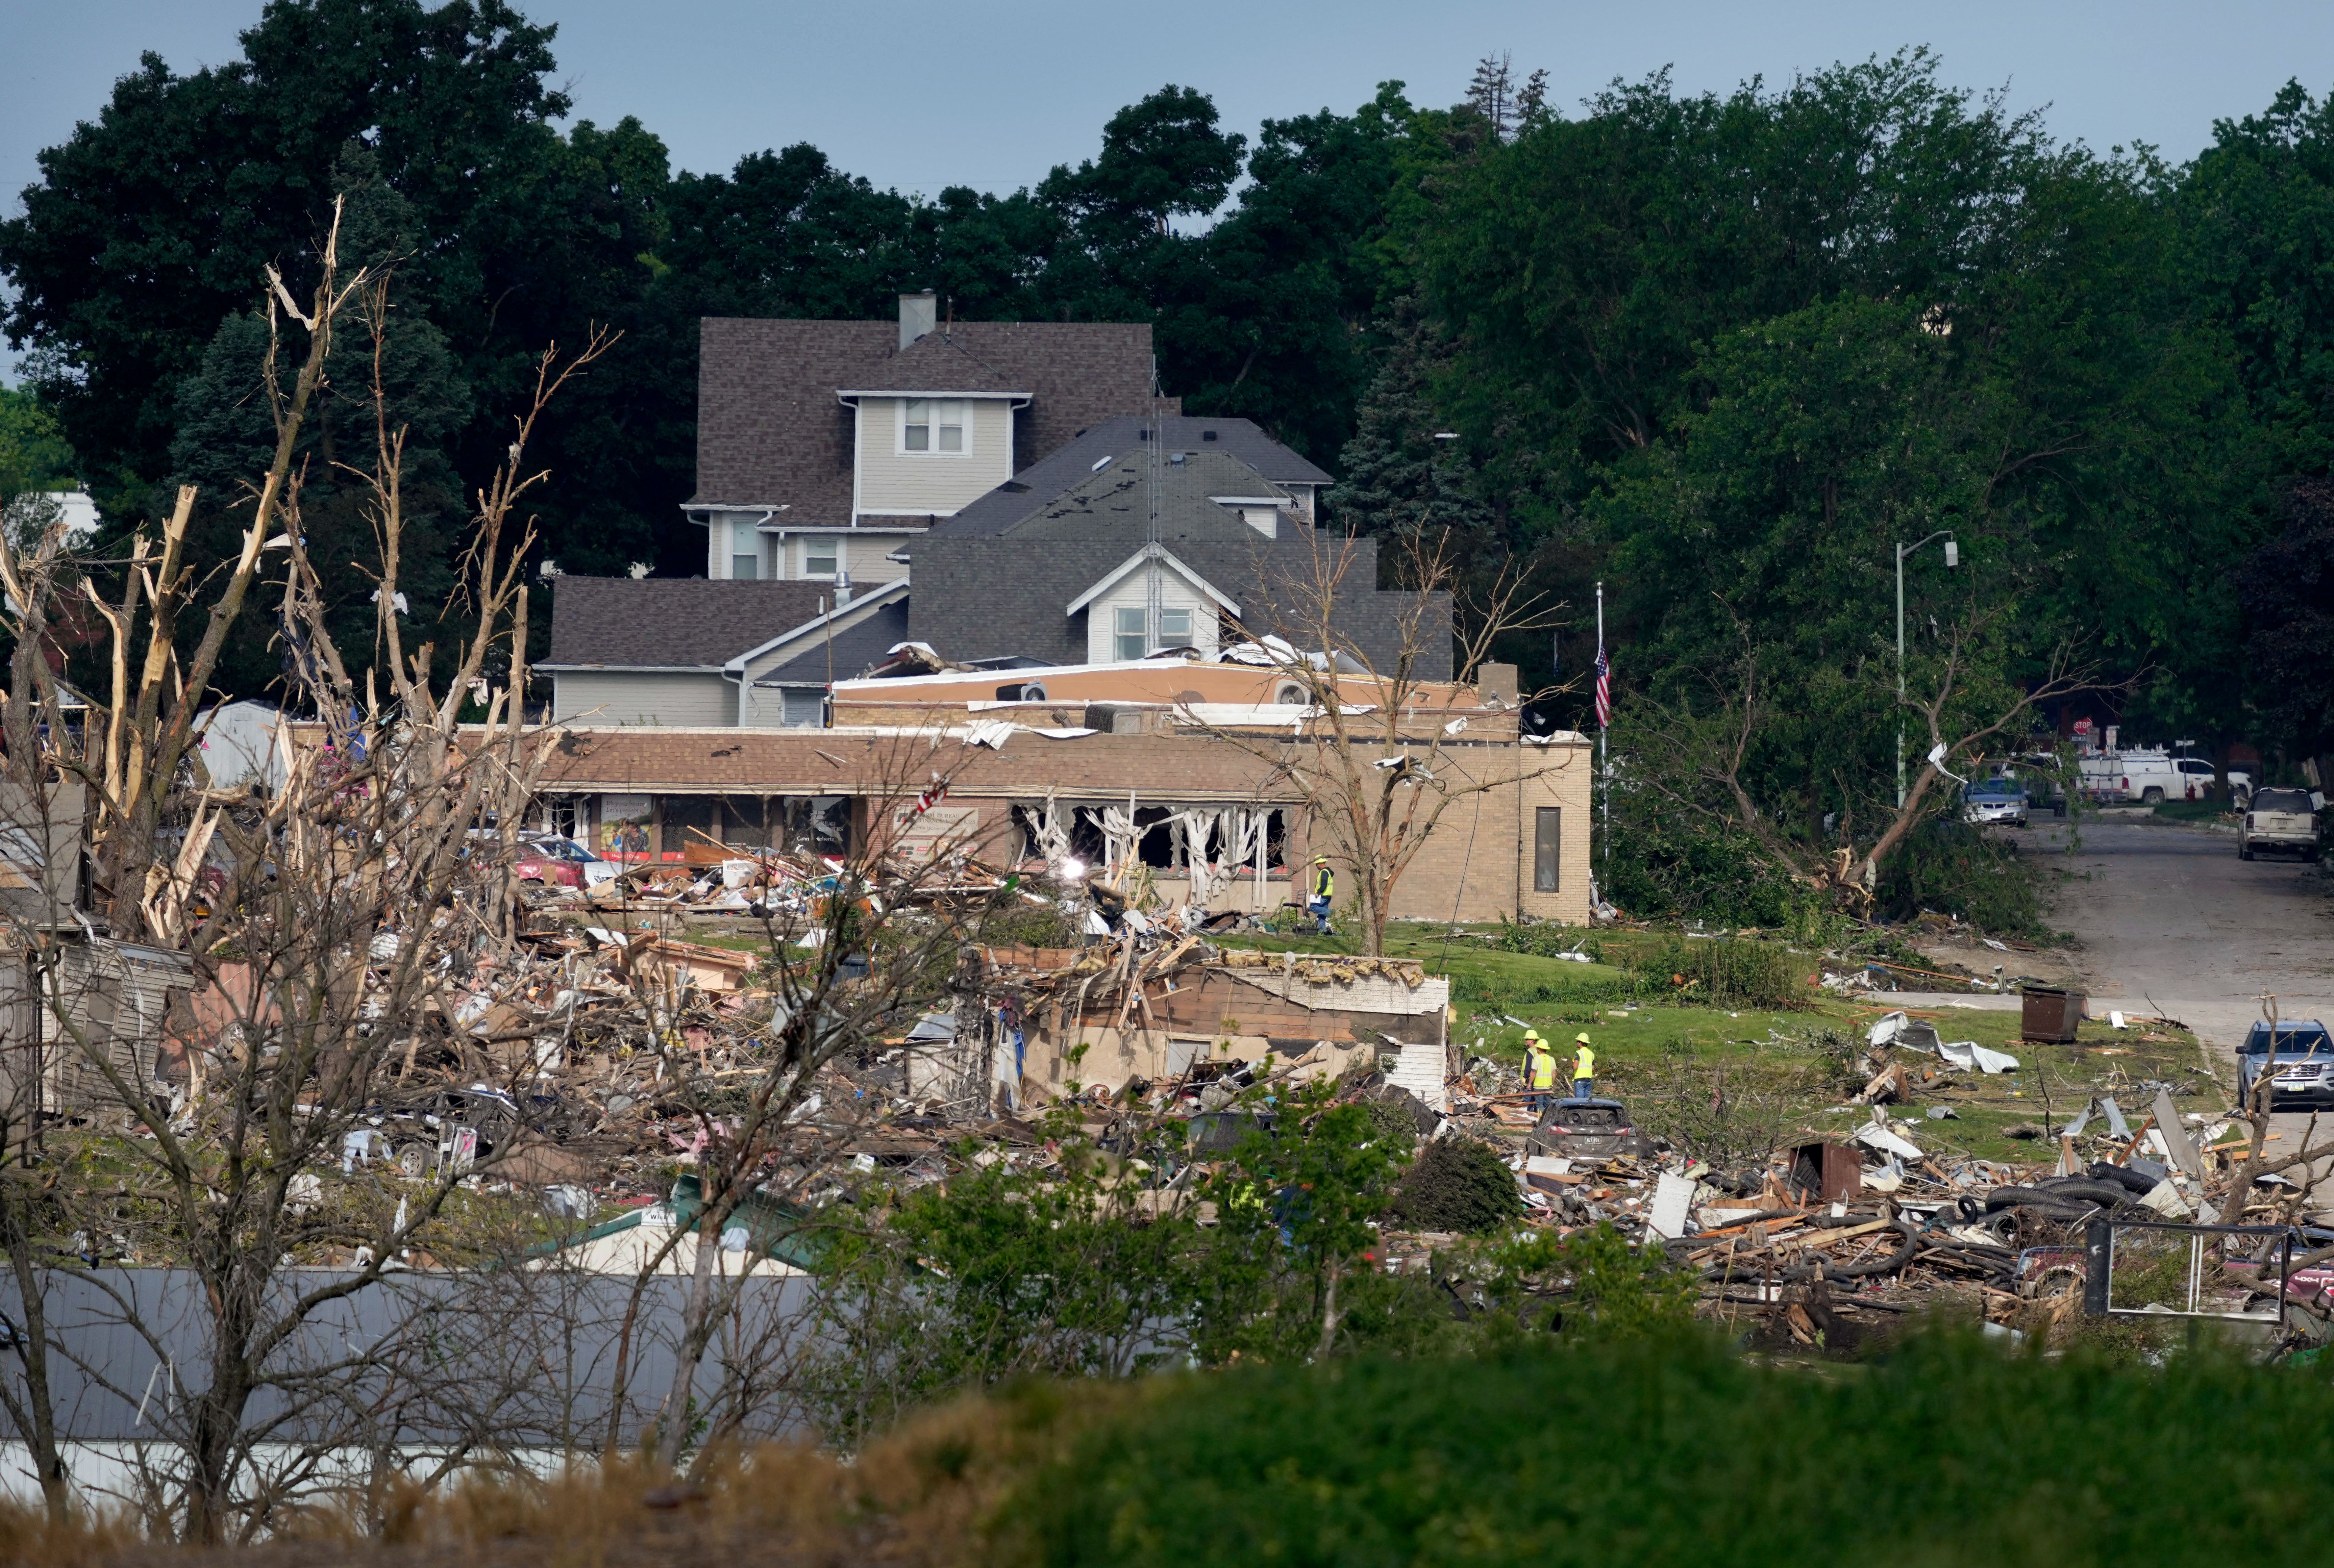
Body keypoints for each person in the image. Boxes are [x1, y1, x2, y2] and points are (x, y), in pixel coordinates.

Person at [1522, 1029, 1556, 1115]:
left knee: (1540, 1105)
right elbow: (1554, 1073)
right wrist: (1552, 1083)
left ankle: (1541, 1120)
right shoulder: (1552, 1059)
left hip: (1538, 1086)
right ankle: (1548, 1119)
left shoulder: (1536, 1059)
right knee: (1547, 1105)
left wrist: (1529, 1084)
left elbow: (1533, 1072)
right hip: (1548, 1086)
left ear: (1540, 1049)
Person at [1307, 855, 1336, 935]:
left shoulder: (1324, 872)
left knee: (1312, 907)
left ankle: (1330, 913)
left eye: (1317, 864)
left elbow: (1324, 885)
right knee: (1322, 915)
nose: (1317, 866)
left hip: (1323, 895)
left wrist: (1318, 892)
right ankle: (1323, 931)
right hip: (1328, 895)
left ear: (1320, 864)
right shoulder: (1328, 872)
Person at [1571, 1033, 1597, 1099]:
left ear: (1580, 1043)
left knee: (1580, 1101)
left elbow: (1575, 1067)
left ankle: (1580, 1110)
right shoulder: (1592, 1054)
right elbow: (1593, 1069)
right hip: (1589, 1079)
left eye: (1577, 1042)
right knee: (1588, 1100)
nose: (1577, 1043)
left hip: (1580, 1079)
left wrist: (1573, 1063)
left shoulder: (1579, 1053)